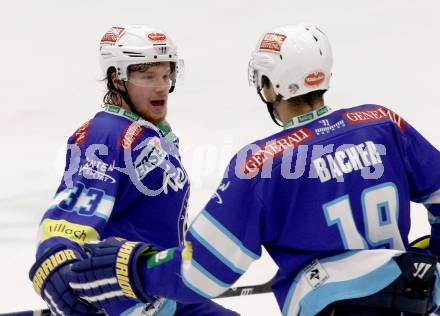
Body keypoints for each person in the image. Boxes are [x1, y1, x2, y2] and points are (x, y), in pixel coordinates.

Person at [67, 23, 440, 316]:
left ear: (269, 87)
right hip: (412, 297)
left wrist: (134, 269)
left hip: (330, 306)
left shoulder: (263, 163)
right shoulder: (382, 123)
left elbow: (203, 271)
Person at [28, 24, 239, 316]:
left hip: (165, 294)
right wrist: (58, 266)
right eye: (147, 76)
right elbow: (70, 218)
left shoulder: (150, 133)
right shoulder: (106, 134)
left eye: (166, 74)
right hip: (130, 303)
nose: (161, 86)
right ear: (118, 79)